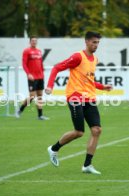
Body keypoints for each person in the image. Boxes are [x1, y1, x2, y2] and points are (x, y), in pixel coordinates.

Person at [45, 31, 112, 174]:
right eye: (94, 42)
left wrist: (102, 87)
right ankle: (53, 149)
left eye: (98, 43)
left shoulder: (95, 59)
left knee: (97, 130)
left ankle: (87, 165)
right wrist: (50, 86)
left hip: (90, 98)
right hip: (75, 97)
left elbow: (90, 80)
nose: (96, 45)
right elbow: (57, 68)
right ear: (86, 42)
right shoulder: (77, 57)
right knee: (79, 132)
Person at [16, 36, 49, 120]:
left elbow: (41, 63)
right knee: (32, 96)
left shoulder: (39, 51)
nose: (34, 42)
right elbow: (24, 64)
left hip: (40, 77)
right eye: (33, 41)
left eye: (35, 41)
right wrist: (28, 74)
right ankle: (20, 110)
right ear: (30, 42)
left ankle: (40, 115)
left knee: (40, 96)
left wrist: (42, 70)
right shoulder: (27, 51)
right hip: (32, 77)